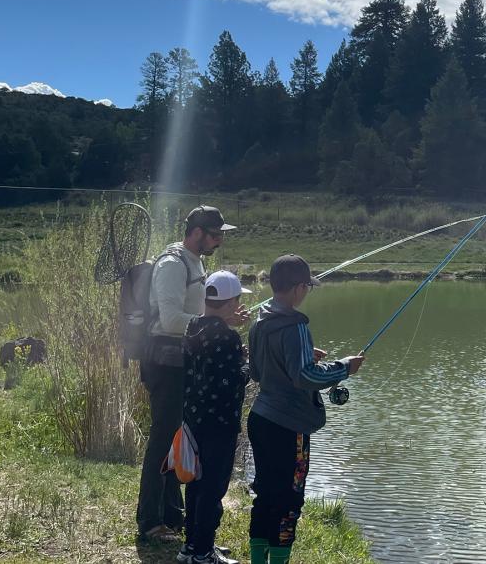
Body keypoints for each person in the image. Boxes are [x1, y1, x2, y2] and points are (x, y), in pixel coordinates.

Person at [136, 205, 248, 544]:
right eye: (215, 235)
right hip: (164, 363)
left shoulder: (194, 261)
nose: (218, 241)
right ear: (197, 232)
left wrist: (220, 319)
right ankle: (150, 522)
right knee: (162, 440)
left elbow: (194, 316)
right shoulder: (172, 264)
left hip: (181, 363)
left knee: (177, 439)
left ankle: (173, 515)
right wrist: (216, 323)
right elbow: (168, 320)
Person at [246, 254, 365, 564]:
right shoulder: (295, 325)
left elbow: (257, 372)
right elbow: (305, 377)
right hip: (289, 428)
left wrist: (301, 355)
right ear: (299, 288)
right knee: (289, 500)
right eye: (307, 287)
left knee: (266, 496)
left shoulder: (260, 321)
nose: (307, 292)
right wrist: (343, 367)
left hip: (260, 419)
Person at [177, 270, 251, 564]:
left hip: (193, 420)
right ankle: (203, 551)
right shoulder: (229, 338)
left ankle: (191, 546)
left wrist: (230, 335)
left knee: (196, 482)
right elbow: (236, 380)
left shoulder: (193, 326)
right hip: (220, 425)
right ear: (231, 302)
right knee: (214, 486)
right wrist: (245, 362)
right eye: (236, 301)